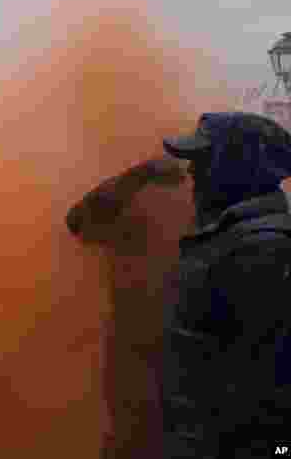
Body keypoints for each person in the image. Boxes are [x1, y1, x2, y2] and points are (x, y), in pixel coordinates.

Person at [69, 112, 291, 457]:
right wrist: (138, 176)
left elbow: (266, 390)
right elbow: (79, 222)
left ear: (234, 168)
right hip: (147, 416)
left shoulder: (260, 249)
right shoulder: (177, 216)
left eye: (202, 160)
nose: (191, 172)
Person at [66, 156, 186, 458]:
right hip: (135, 358)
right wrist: (137, 176)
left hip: (183, 367)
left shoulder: (223, 221)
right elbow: (78, 222)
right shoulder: (131, 206)